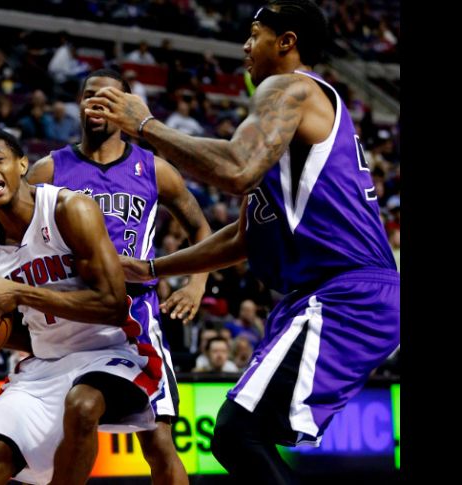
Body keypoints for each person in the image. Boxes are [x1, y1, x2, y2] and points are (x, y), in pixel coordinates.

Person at [87, 1, 400, 483]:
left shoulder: (290, 87)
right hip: (333, 294)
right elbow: (245, 235)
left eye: (255, 34)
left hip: (345, 292)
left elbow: (235, 169)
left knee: (237, 433)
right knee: (240, 435)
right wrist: (152, 269)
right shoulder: (283, 129)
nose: (245, 46)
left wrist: (146, 127)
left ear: (287, 41)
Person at [0, 129, 159, 485]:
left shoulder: (69, 209)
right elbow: (21, 335)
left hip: (111, 351)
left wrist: (22, 294)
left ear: (22, 165)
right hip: (45, 362)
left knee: (83, 405)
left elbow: (112, 305)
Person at [27, 68, 213, 485]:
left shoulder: (154, 169)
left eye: (109, 97)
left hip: (135, 315)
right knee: (62, 432)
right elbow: (11, 239)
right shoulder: (48, 170)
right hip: (73, 313)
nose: (97, 102)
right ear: (79, 105)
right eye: (89, 95)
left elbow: (201, 229)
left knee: (158, 439)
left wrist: (197, 283)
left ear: (126, 107)